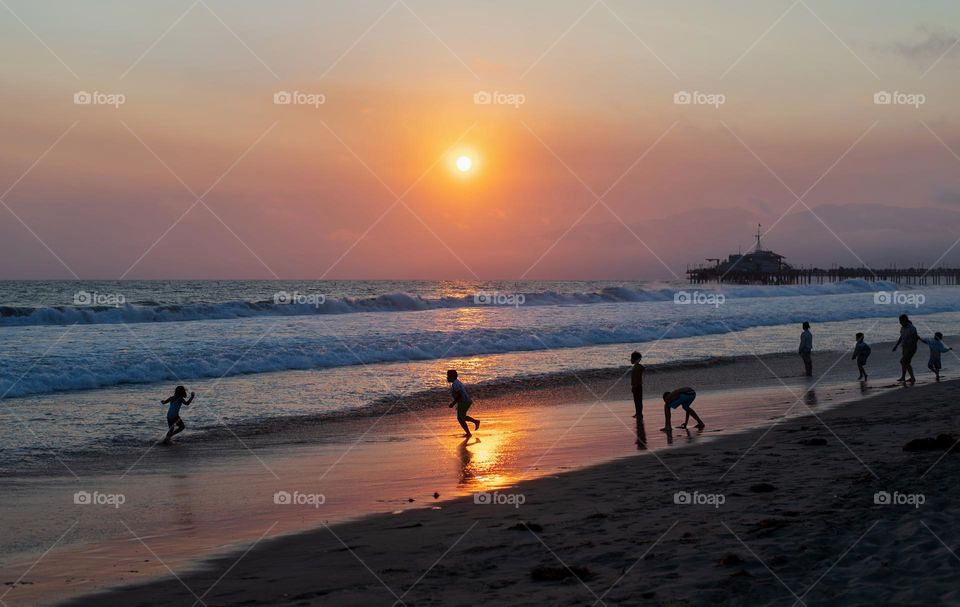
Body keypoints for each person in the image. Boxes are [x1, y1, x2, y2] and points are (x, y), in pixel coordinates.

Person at [447, 370, 480, 437]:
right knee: (462, 417)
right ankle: (475, 422)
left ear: (452, 377)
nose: (447, 378)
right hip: (465, 401)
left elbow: (459, 395)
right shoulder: (456, 383)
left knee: (460, 418)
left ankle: (468, 433)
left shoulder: (456, 384)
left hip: (464, 402)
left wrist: (453, 403)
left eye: (448, 376)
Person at [892, 314, 919, 384]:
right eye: (900, 321)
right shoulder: (902, 328)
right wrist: (896, 346)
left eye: (901, 321)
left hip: (911, 347)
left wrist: (911, 346)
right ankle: (904, 377)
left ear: (906, 320)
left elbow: (916, 338)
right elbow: (901, 337)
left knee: (903, 361)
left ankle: (912, 377)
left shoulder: (912, 328)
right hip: (904, 347)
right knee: (906, 362)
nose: (900, 323)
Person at [630, 351, 644, 419]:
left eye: (631, 358)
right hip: (637, 385)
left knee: (638, 400)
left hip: (637, 386)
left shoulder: (637, 367)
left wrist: (634, 386)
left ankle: (639, 413)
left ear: (634, 359)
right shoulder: (636, 367)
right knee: (637, 400)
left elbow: (636, 377)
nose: (630, 360)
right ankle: (638, 413)